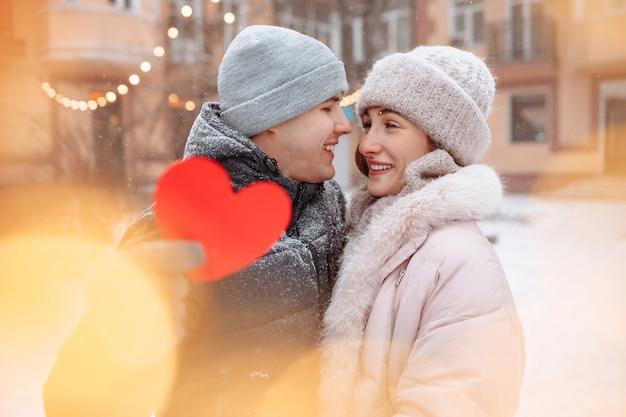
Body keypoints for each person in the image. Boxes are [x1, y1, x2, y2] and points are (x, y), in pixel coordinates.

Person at [44, 25, 352, 417]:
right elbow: (75, 403)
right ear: (274, 117)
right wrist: (116, 329)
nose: (344, 125)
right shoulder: (173, 227)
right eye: (327, 108)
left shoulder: (327, 205)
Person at [318, 46, 525, 417]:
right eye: (368, 123)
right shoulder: (370, 235)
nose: (366, 145)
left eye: (391, 124)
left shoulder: (459, 262)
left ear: (440, 141)